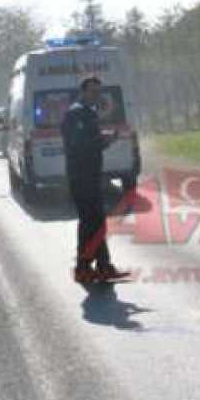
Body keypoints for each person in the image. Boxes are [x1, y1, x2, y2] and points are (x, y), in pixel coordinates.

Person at [61, 76, 128, 282]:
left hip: (89, 174)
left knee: (95, 223)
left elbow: (90, 142)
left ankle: (100, 266)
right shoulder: (77, 113)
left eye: (98, 92)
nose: (96, 96)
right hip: (82, 177)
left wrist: (105, 140)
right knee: (92, 223)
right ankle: (85, 266)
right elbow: (81, 145)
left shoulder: (87, 113)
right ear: (83, 92)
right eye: (92, 92)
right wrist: (103, 140)